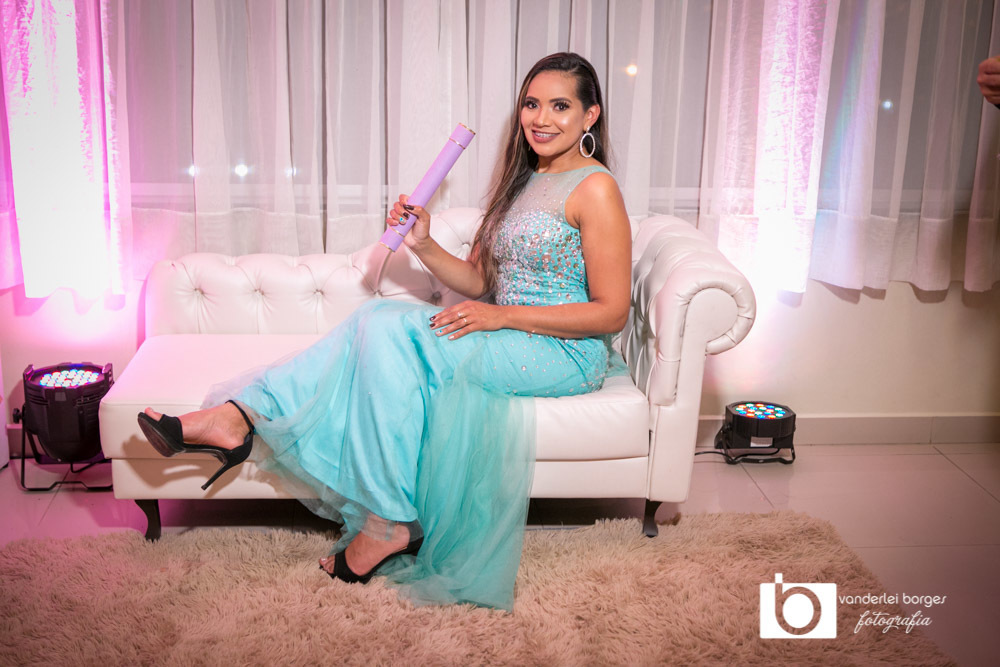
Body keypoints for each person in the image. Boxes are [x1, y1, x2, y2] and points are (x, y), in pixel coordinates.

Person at [137, 52, 631, 611]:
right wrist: (422, 242)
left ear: (590, 116)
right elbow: (479, 280)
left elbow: (611, 312)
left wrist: (502, 316)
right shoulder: (522, 181)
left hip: (562, 351)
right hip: (505, 333)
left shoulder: (595, 188)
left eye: (560, 106)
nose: (541, 119)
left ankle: (370, 508)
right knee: (376, 322)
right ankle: (245, 419)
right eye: (532, 104)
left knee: (389, 332)